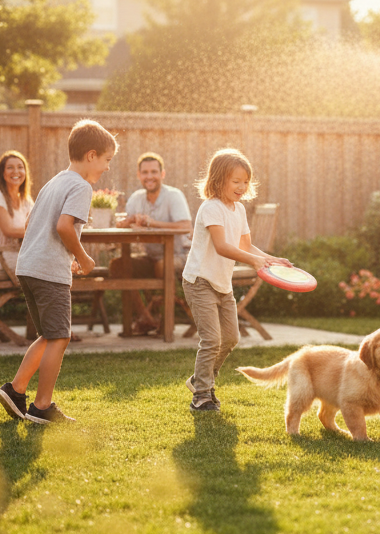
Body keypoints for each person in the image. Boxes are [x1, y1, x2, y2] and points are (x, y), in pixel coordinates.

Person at [0, 119, 118, 424]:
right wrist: (84, 257)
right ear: (91, 155)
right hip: (48, 272)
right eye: (106, 160)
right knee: (60, 337)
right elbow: (64, 226)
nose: (107, 167)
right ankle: (41, 406)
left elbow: (31, 226)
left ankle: (16, 390)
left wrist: (67, 255)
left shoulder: (55, 181)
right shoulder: (81, 186)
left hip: (30, 266)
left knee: (49, 335)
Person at [182, 148, 288, 412]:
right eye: (235, 181)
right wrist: (252, 262)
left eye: (245, 181)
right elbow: (221, 246)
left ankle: (198, 379)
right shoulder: (211, 208)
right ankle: (202, 395)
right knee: (211, 339)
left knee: (230, 338)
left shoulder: (238, 210)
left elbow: (247, 246)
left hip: (222, 284)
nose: (242, 186)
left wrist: (271, 260)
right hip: (199, 281)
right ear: (218, 180)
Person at [112, 151, 191, 334]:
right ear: (139, 175)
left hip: (179, 255)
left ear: (162, 174)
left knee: (162, 265)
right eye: (145, 172)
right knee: (118, 266)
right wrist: (128, 222)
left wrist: (151, 222)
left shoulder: (173, 195)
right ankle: (146, 318)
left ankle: (165, 323)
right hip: (151, 257)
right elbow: (123, 224)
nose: (150, 177)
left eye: (154, 172)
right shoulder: (136, 198)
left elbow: (186, 226)